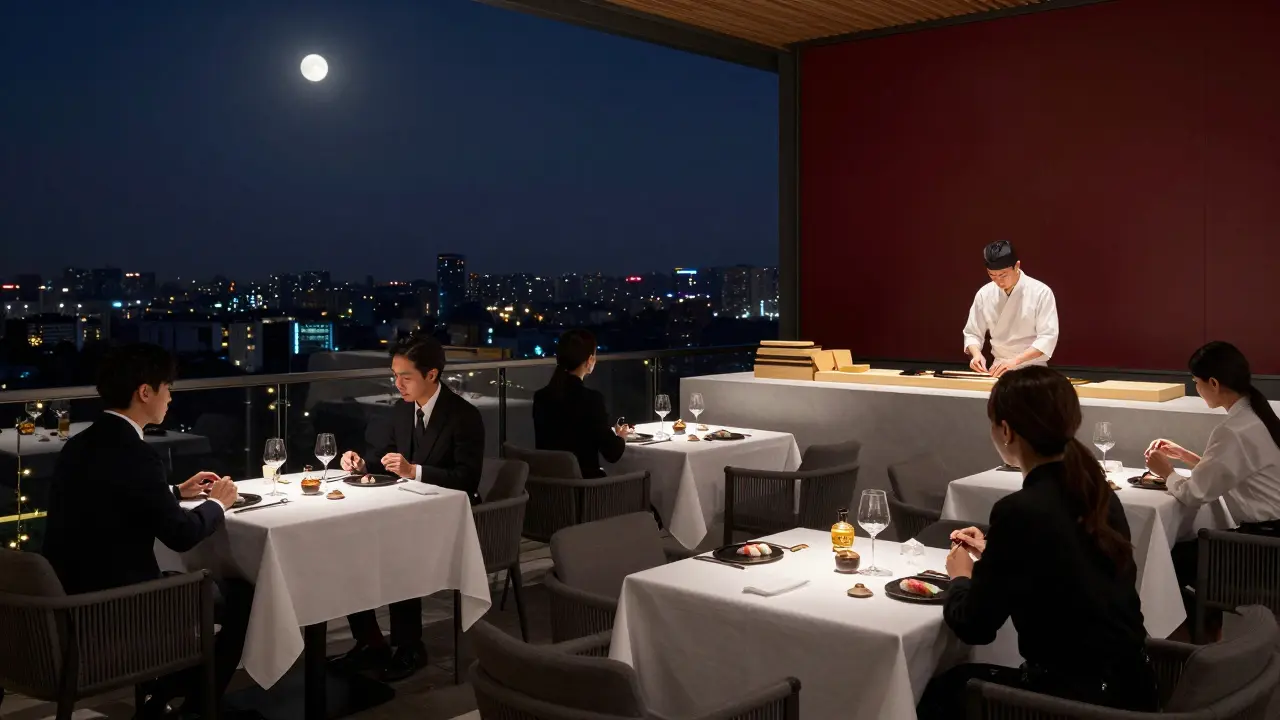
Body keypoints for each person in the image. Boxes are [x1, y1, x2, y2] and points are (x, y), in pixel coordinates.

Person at [917, 366, 1156, 718]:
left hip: (1072, 702)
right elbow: (1073, 572)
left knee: (932, 693)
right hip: (1135, 687)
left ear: (1006, 431)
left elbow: (974, 625)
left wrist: (961, 576)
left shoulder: (1020, 510)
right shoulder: (1097, 491)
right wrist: (996, 552)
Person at [42, 343, 253, 720]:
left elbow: (111, 497)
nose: (170, 397)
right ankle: (197, 704)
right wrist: (218, 502)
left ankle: (168, 693)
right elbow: (181, 534)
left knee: (218, 593)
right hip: (122, 606)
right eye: (167, 387)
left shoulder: (80, 444)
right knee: (242, 595)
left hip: (72, 597)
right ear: (145, 392)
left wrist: (175, 491)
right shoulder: (136, 454)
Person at [332, 333, 484, 681]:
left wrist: (414, 470)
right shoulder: (402, 411)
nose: (397, 384)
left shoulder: (464, 416)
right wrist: (360, 465)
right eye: (394, 375)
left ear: (432, 375)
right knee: (349, 545)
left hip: (452, 519)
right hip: (404, 513)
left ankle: (410, 646)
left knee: (395, 550)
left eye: (406, 377)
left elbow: (467, 480)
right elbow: (383, 457)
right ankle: (370, 640)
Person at [1143, 341, 1280, 636]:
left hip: (1261, 549)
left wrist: (1165, 471)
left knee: (1164, 565)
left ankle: (1191, 642)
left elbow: (1194, 494)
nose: (1196, 389)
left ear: (1214, 383)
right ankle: (1206, 630)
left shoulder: (1232, 430)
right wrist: (1189, 457)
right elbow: (1237, 472)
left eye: (1196, 382)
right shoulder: (1258, 416)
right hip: (1270, 538)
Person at [532, 328, 631, 478]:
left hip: (550, 491)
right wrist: (621, 437)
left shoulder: (541, 397)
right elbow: (612, 454)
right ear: (590, 360)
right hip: (586, 491)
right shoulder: (591, 400)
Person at [962, 240, 1059, 377]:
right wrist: (976, 354)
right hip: (998, 369)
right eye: (992, 275)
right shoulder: (984, 294)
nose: (998, 281)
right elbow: (972, 333)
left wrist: (1015, 361)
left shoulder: (1040, 292)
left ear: (1017, 266)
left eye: (1003, 275)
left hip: (1033, 370)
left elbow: (1047, 338)